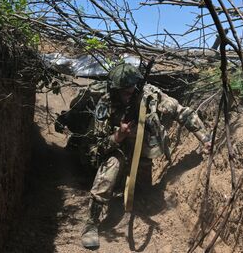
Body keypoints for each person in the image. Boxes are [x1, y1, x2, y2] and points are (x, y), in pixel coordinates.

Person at [80, 63, 212, 249]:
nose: (128, 94)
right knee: (111, 170)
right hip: (115, 151)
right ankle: (91, 224)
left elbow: (181, 112)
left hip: (142, 152)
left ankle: (132, 189)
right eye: (123, 91)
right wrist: (118, 136)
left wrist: (205, 138)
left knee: (144, 196)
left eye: (131, 90)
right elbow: (95, 148)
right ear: (114, 89)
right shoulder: (105, 104)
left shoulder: (150, 96)